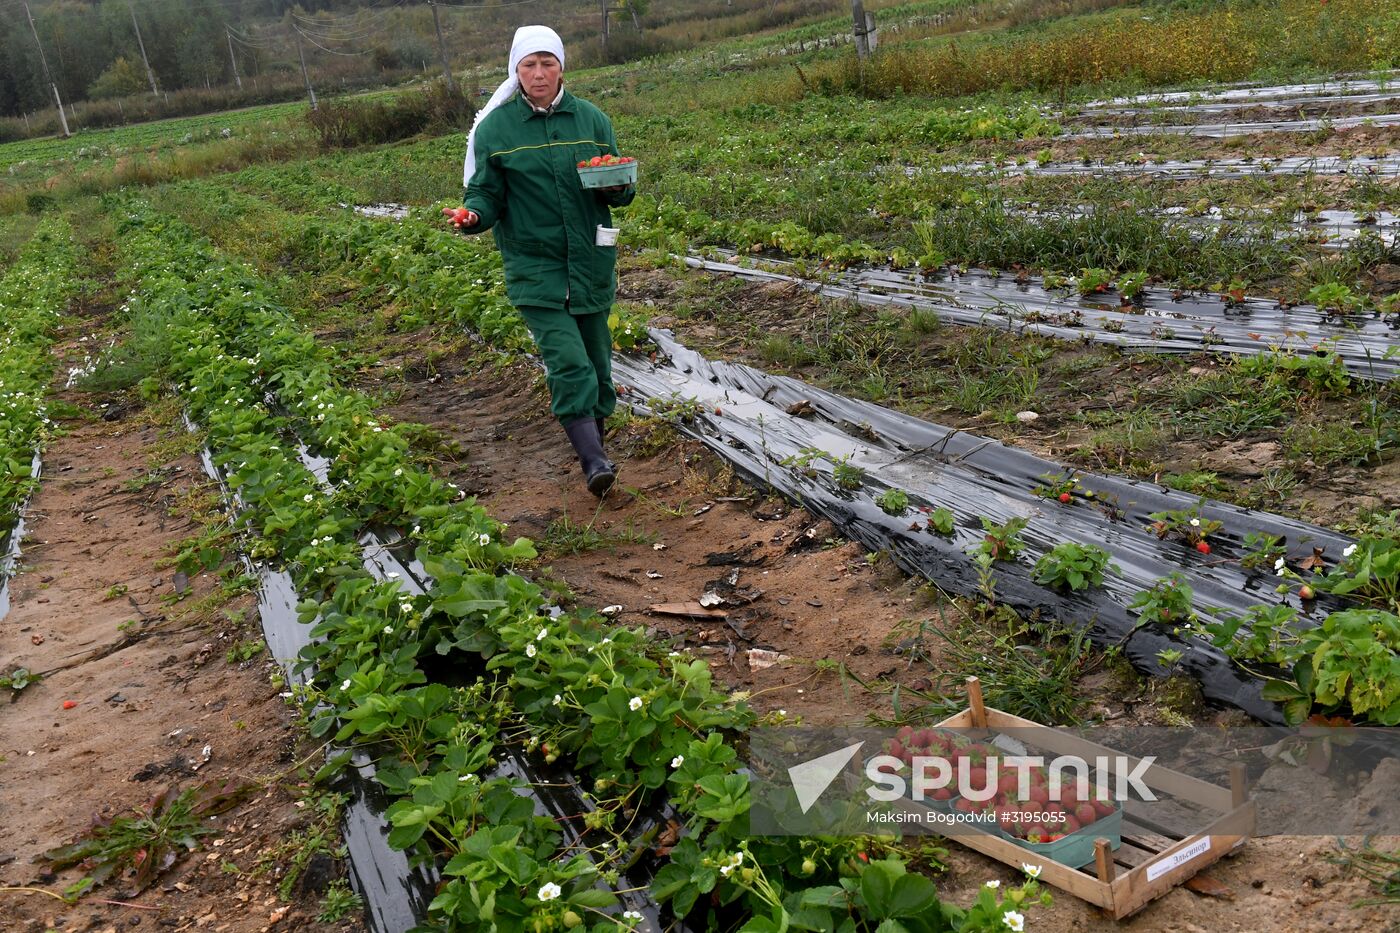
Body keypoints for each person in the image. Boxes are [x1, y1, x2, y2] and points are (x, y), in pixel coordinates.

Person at [458, 25, 636, 497]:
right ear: (516, 71)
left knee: (598, 365)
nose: (539, 74)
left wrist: (619, 186)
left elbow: (618, 182)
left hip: (591, 264)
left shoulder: (592, 120)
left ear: (562, 67)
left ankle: (596, 449)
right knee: (568, 363)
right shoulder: (496, 130)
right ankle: (594, 460)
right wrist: (474, 215)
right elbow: (485, 194)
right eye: (529, 65)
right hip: (535, 269)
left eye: (548, 63)